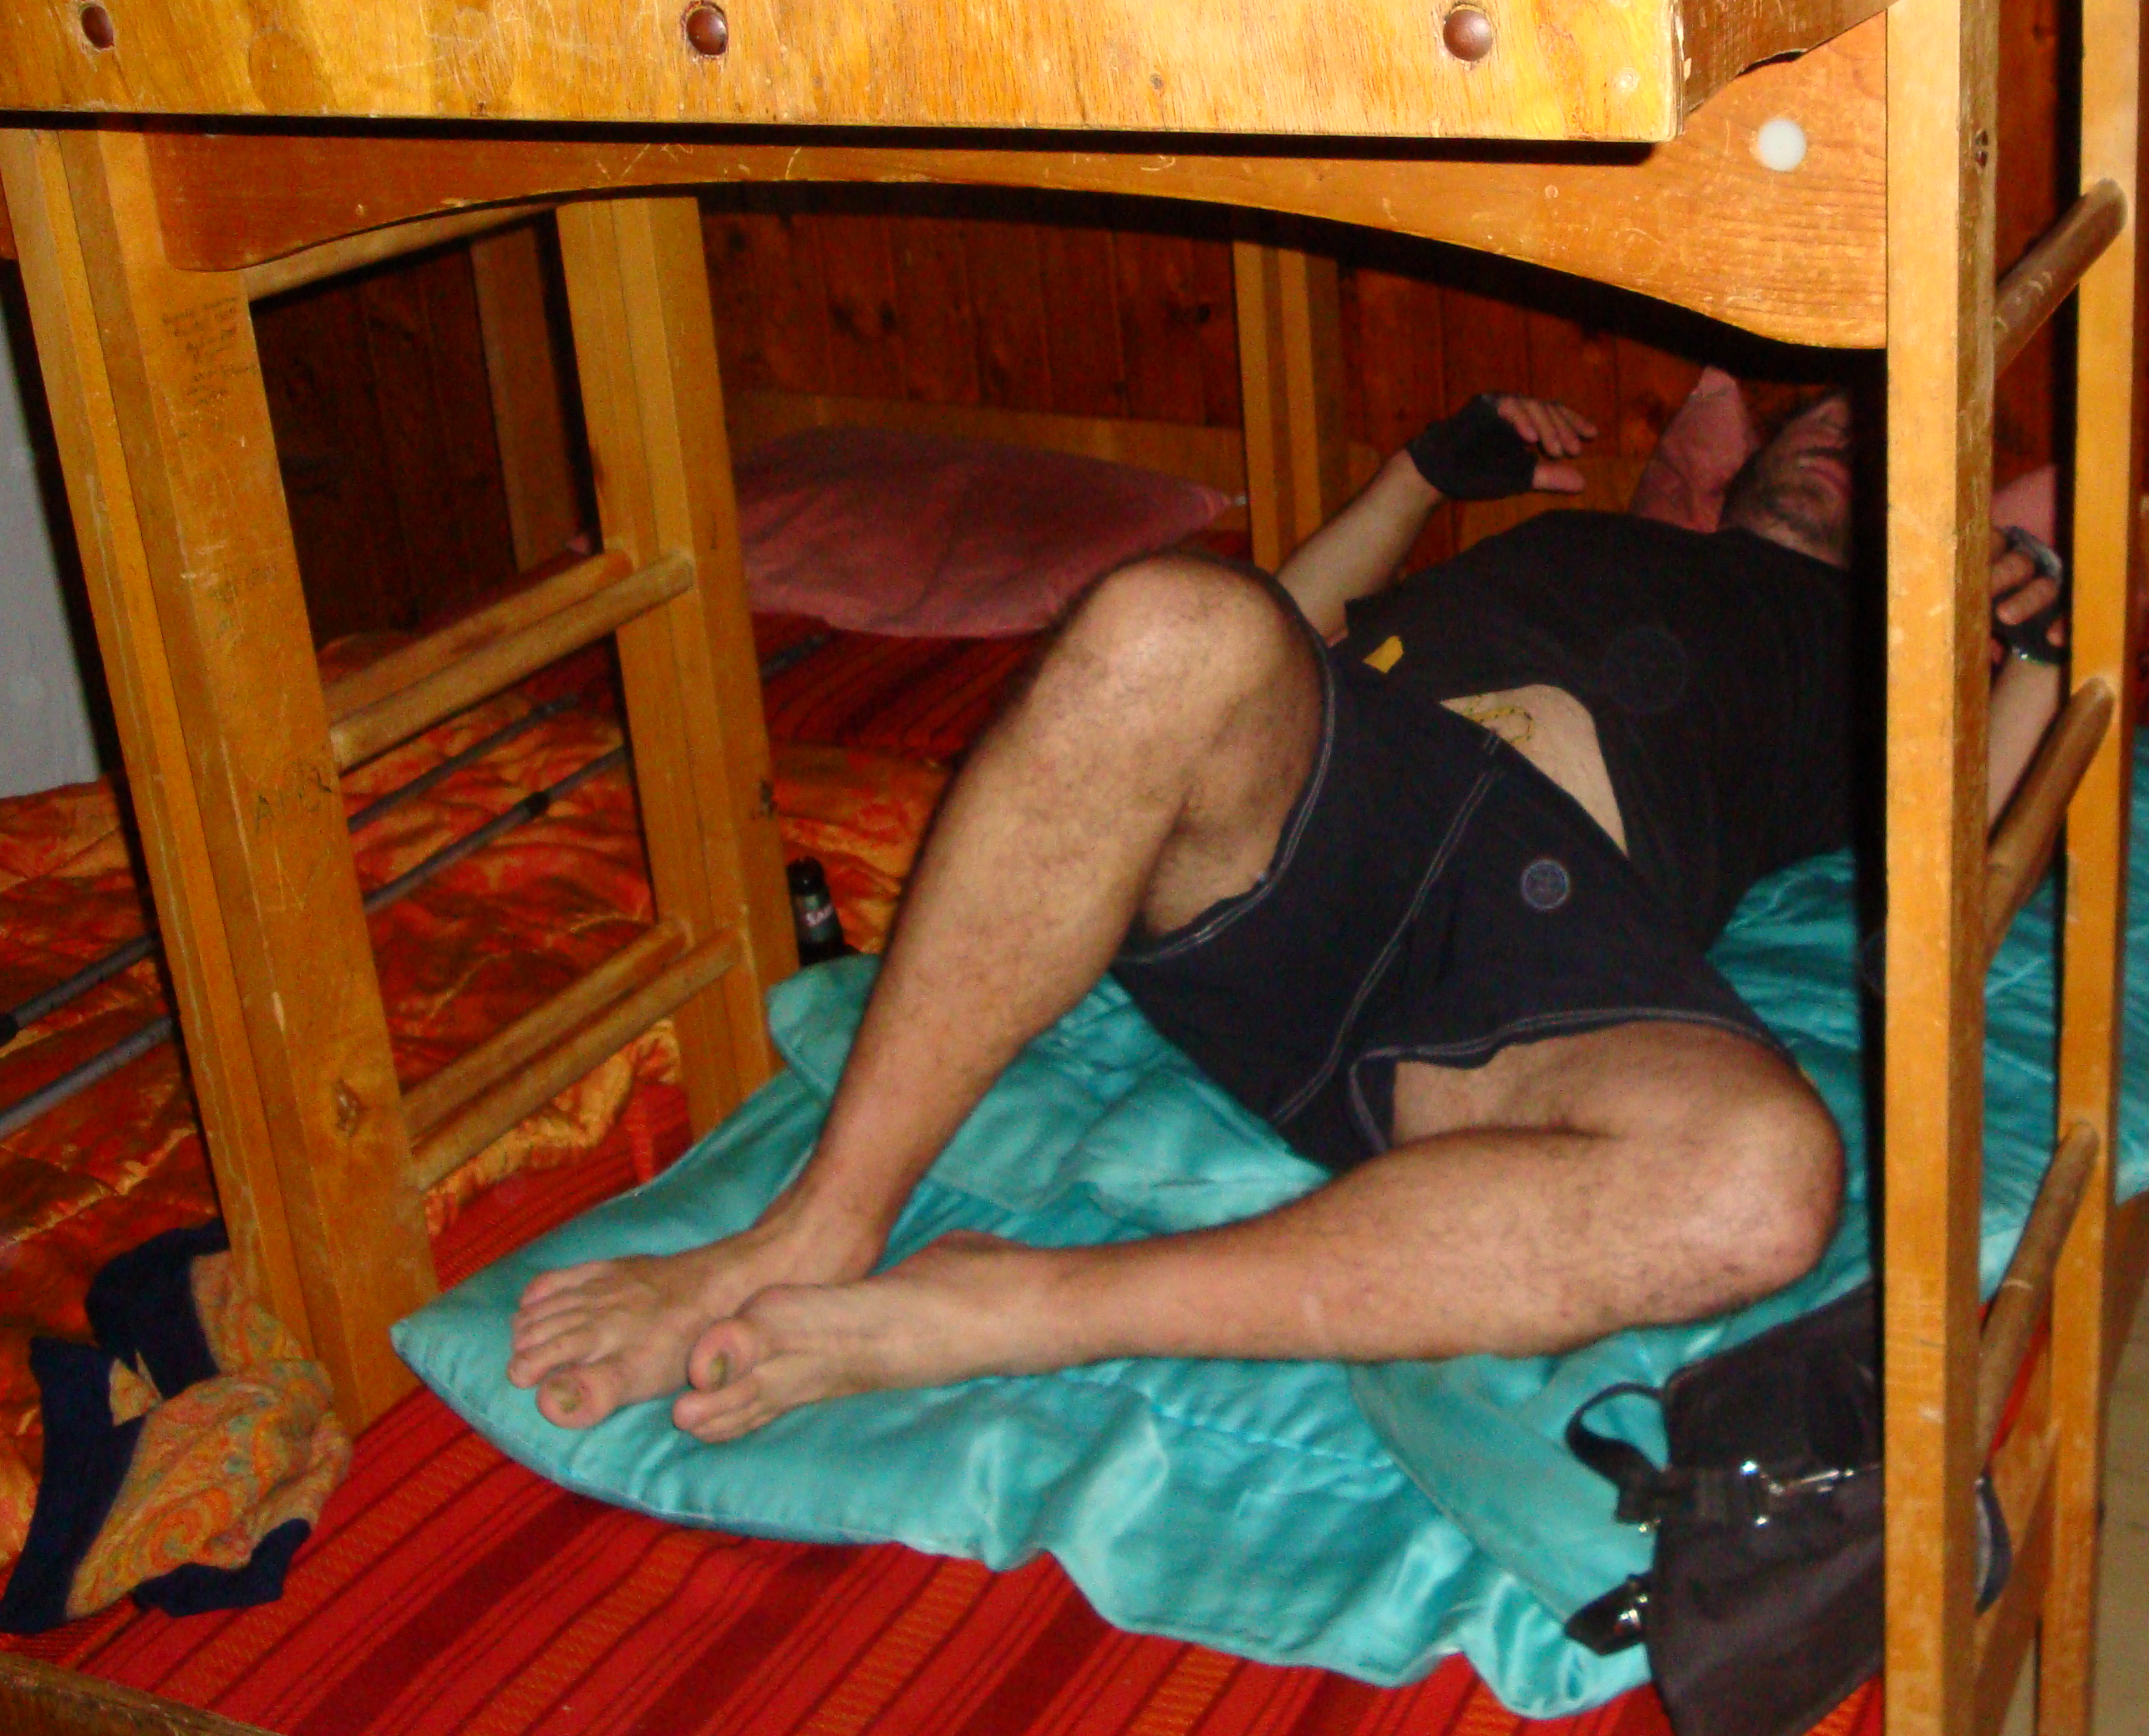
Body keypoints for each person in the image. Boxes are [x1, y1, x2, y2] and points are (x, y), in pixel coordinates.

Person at [506, 390, 2067, 1443]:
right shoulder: (1587, 539)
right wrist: (1420, 477)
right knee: (1163, 618)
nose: (1846, 435)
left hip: (1536, 962)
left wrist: (2046, 651)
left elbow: (1952, 883)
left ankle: (1031, 1308)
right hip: (1334, 807)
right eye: (1821, 414)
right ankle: (821, 1223)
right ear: (1739, 461)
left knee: (1763, 1185)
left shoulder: (1883, 657)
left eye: (1888, 441)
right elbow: (1270, 633)